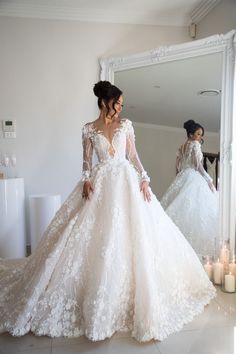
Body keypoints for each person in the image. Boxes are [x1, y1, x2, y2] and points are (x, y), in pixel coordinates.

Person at [0, 82, 215, 343]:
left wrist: (144, 178)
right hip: (101, 185)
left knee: (134, 233)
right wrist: (86, 179)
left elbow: (134, 155)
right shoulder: (89, 129)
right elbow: (86, 161)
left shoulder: (126, 125)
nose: (121, 108)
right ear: (105, 102)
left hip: (126, 182)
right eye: (118, 103)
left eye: (123, 104)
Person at [161, 119, 219, 259]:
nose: (200, 137)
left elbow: (177, 165)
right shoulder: (195, 145)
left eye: (201, 134)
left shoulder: (182, 147)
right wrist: (209, 179)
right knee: (199, 210)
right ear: (191, 134)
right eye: (199, 134)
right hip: (193, 176)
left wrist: (178, 178)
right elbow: (198, 165)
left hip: (183, 176)